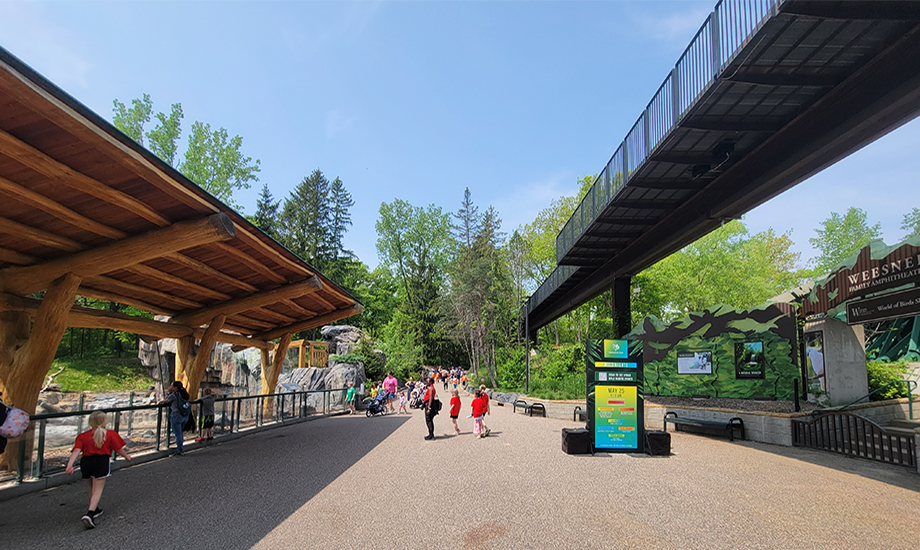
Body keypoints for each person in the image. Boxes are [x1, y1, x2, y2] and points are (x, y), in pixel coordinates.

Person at [65, 410, 132, 529]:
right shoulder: (110, 434)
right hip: (101, 461)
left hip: (86, 461)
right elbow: (118, 448)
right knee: (98, 489)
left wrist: (70, 464)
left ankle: (95, 508)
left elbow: (76, 450)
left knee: (91, 485)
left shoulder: (83, 436)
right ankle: (90, 513)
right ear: (104, 421)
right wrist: (126, 456)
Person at [159, 380, 190, 456]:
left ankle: (179, 450)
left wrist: (168, 394)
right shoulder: (184, 394)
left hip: (176, 416)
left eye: (171, 386)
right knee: (180, 433)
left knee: (178, 434)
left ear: (175, 388)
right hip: (184, 416)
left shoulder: (173, 395)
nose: (169, 387)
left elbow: (165, 401)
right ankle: (180, 448)